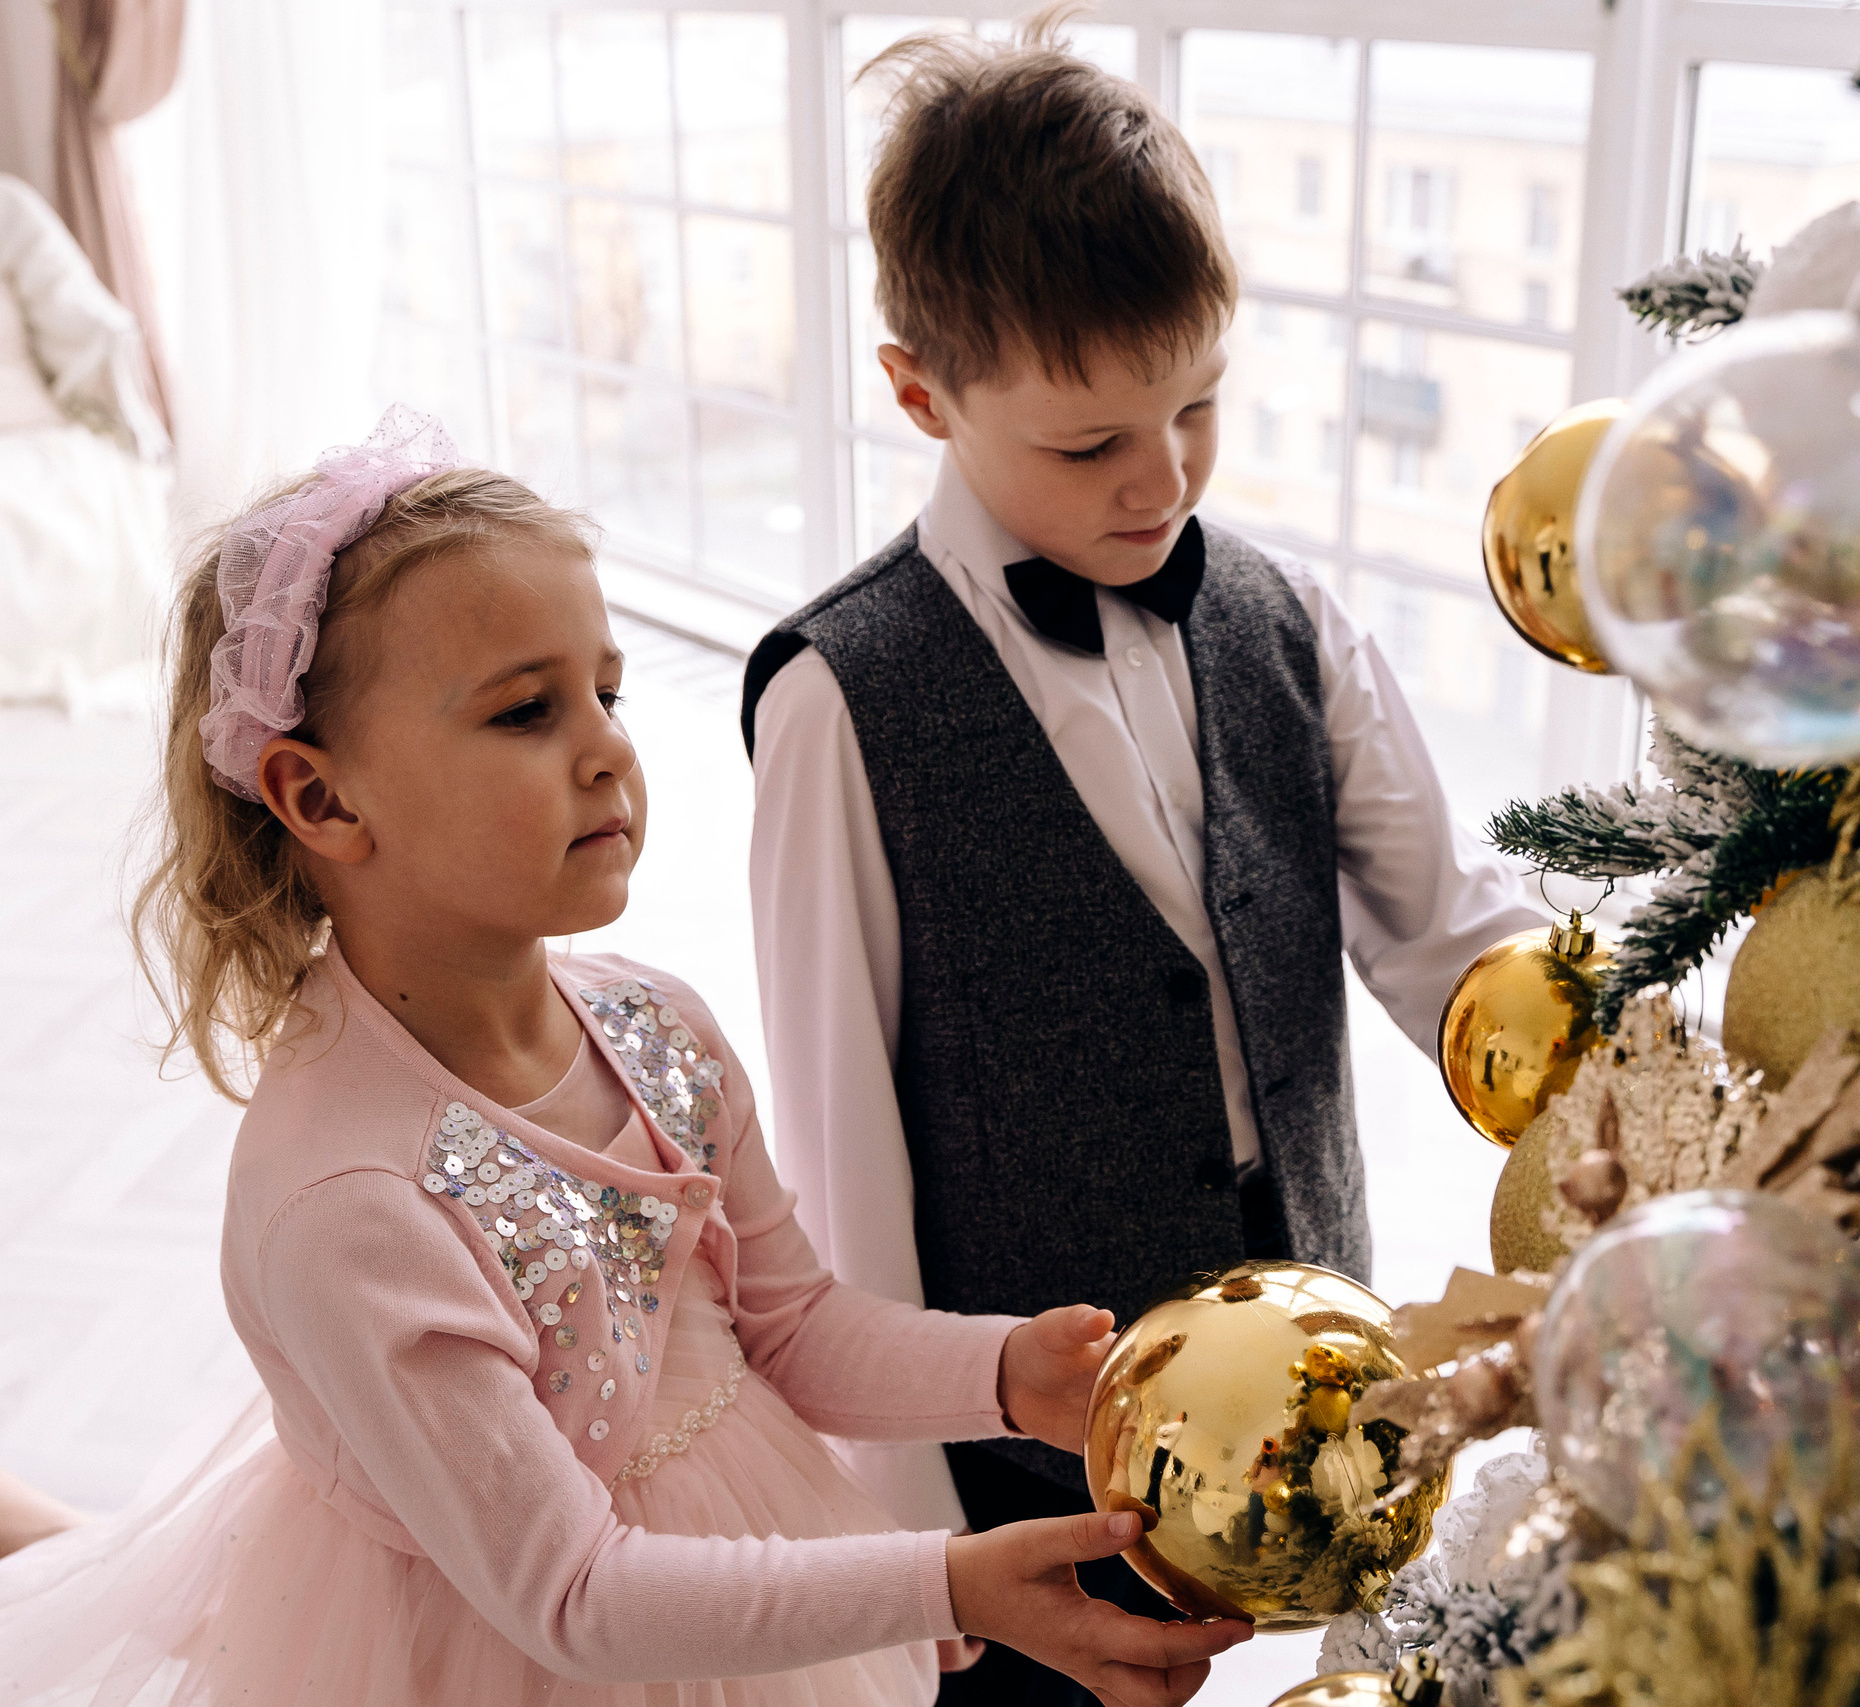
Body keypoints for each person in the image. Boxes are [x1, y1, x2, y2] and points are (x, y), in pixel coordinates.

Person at [0, 409, 1248, 1707]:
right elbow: (572, 1596)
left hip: (715, 1573)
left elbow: (791, 1325)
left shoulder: (660, 1028)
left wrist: (999, 1376)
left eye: (607, 692)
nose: (608, 749)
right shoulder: (351, 1209)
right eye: (528, 711)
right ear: (321, 799)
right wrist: (941, 1579)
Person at [741, 15, 1545, 1701]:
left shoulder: (1281, 614)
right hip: (1031, 1440)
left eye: (1199, 408)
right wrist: (921, 1569)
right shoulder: (840, 700)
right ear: (919, 391)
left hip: (1306, 1360)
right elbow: (842, 1166)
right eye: (1089, 443)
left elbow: (1440, 925)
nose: (1163, 480)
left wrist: (1596, 1057)